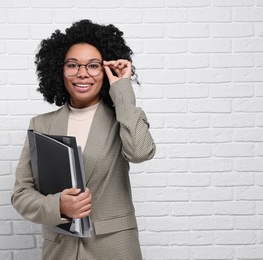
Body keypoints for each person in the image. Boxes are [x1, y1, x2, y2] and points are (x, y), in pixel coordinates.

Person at [11, 19, 156, 259]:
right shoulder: (41, 124)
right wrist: (57, 206)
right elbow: (21, 193)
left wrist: (122, 90)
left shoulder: (123, 118)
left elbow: (140, 152)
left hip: (114, 247)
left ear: (105, 70)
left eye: (93, 66)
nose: (82, 74)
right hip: (60, 249)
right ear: (59, 69)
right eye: (72, 65)